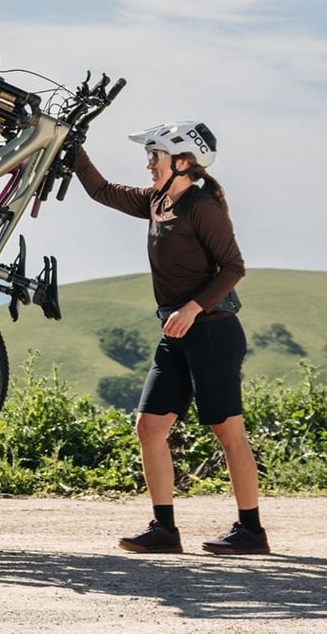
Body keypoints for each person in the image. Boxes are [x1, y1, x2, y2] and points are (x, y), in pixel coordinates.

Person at [74, 121, 270, 555]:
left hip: (213, 331)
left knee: (227, 431)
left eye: (155, 156)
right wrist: (71, 146)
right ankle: (164, 530)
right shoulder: (156, 200)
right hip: (175, 334)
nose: (149, 164)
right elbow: (101, 190)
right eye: (149, 156)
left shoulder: (201, 207)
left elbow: (233, 267)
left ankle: (252, 532)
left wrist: (193, 308)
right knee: (149, 428)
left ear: (183, 162)